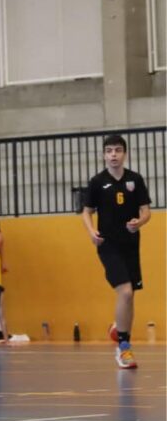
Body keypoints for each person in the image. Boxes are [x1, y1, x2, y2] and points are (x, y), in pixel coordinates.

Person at [81, 134, 151, 369]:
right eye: (109, 150)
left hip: (131, 244)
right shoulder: (97, 182)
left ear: (124, 154)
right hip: (108, 245)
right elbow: (86, 211)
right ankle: (123, 347)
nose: (113, 154)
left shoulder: (135, 179)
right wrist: (91, 231)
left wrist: (139, 222)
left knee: (130, 297)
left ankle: (119, 330)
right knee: (126, 292)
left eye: (118, 150)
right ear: (104, 155)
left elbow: (146, 211)